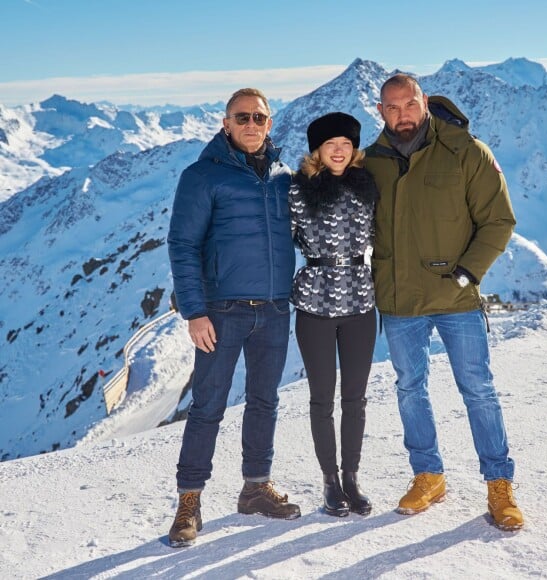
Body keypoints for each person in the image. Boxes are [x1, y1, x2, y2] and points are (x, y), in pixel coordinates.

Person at [365, 74, 524, 531]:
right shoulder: (371, 162)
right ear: (380, 111)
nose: (401, 114)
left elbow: (498, 220)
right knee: (409, 388)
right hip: (399, 300)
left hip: (456, 296)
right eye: (391, 107)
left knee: (477, 388)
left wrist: (468, 272)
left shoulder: (466, 151)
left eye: (409, 104)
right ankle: (429, 475)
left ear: (425, 103)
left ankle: (499, 484)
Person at [167, 88, 300, 548]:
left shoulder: (284, 177)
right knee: (208, 405)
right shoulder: (202, 176)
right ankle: (189, 500)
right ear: (225, 123)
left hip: (275, 308)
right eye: (241, 117)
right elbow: (182, 245)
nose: (250, 124)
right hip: (221, 312)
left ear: (270, 123)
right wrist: (194, 311)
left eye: (258, 117)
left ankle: (255, 487)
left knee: (265, 401)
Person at [291, 112, 378, 517]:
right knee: (322, 398)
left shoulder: (368, 187)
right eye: (331, 144)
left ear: (354, 149)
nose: (339, 149)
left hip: (360, 301)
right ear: (318, 151)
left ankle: (352, 478)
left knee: (355, 399)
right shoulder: (297, 190)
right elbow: (277, 240)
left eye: (346, 143)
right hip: (316, 303)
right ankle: (329, 481)